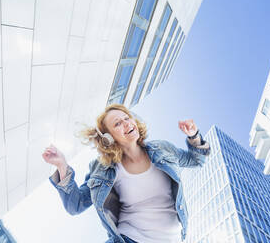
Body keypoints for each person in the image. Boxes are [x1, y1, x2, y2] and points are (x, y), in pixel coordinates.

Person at [42, 104, 210, 243]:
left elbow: (197, 160)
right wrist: (62, 166)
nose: (127, 123)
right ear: (108, 137)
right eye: (118, 124)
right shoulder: (102, 168)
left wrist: (194, 136)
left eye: (127, 118)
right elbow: (75, 205)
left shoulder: (162, 148)